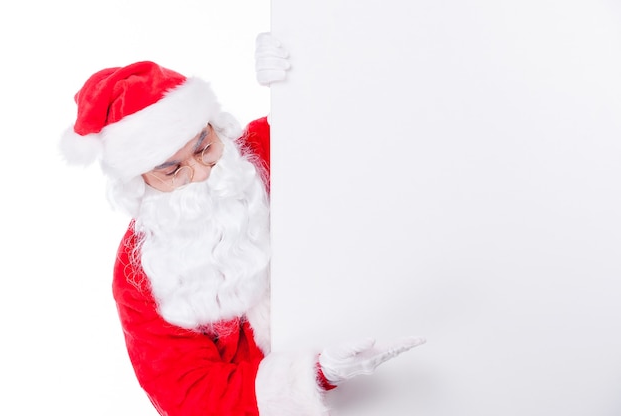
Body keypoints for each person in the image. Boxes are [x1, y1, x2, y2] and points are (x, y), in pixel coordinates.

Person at [59, 33, 425, 415]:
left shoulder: (264, 148)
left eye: (205, 146)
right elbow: (190, 395)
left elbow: (351, 123)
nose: (202, 174)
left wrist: (301, 77)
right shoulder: (139, 273)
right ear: (139, 181)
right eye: (172, 170)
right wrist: (315, 374)